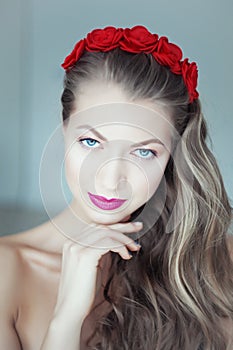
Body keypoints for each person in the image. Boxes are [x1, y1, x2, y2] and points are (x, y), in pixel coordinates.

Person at [0, 25, 232, 350]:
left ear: (172, 157)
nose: (110, 180)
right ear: (64, 130)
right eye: (91, 141)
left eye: (144, 151)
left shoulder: (209, 262)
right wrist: (66, 319)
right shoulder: (5, 271)